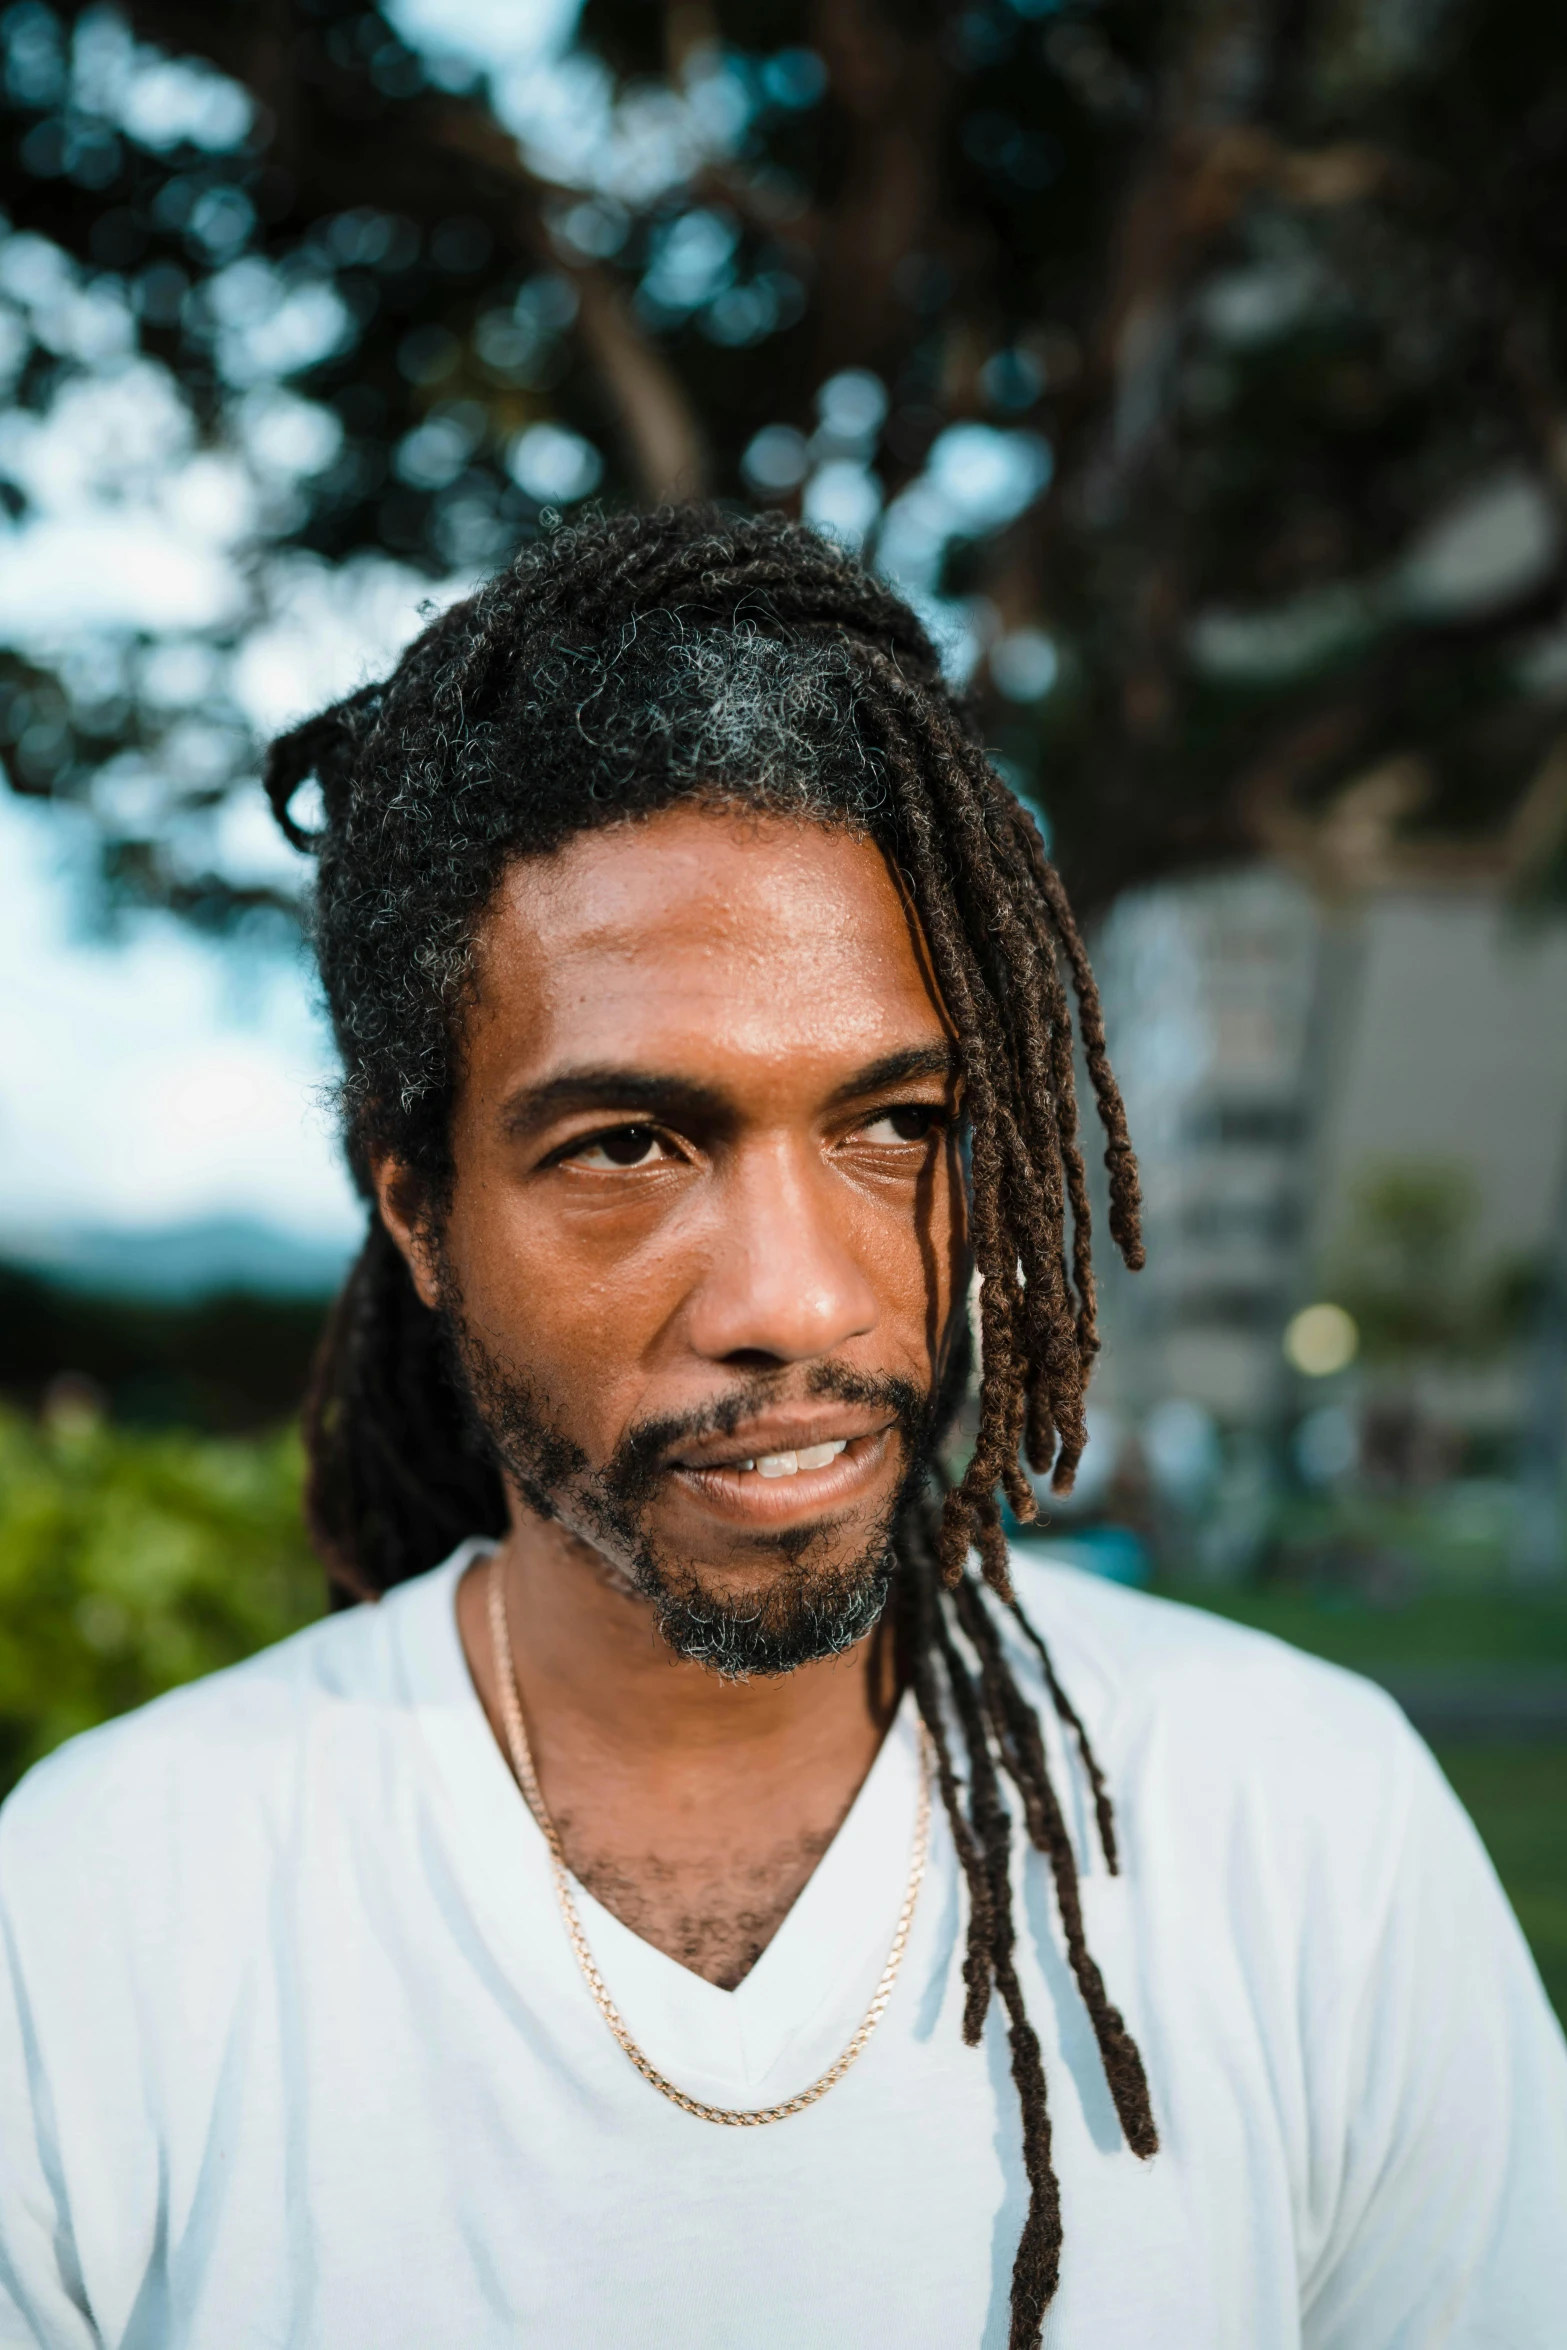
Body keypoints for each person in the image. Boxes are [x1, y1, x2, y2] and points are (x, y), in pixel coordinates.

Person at [0, 509, 1562, 2350]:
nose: (800, 1298)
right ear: (419, 1212)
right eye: (627, 1147)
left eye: (889, 1120)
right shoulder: (101, 1914)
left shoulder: (1308, 1825)